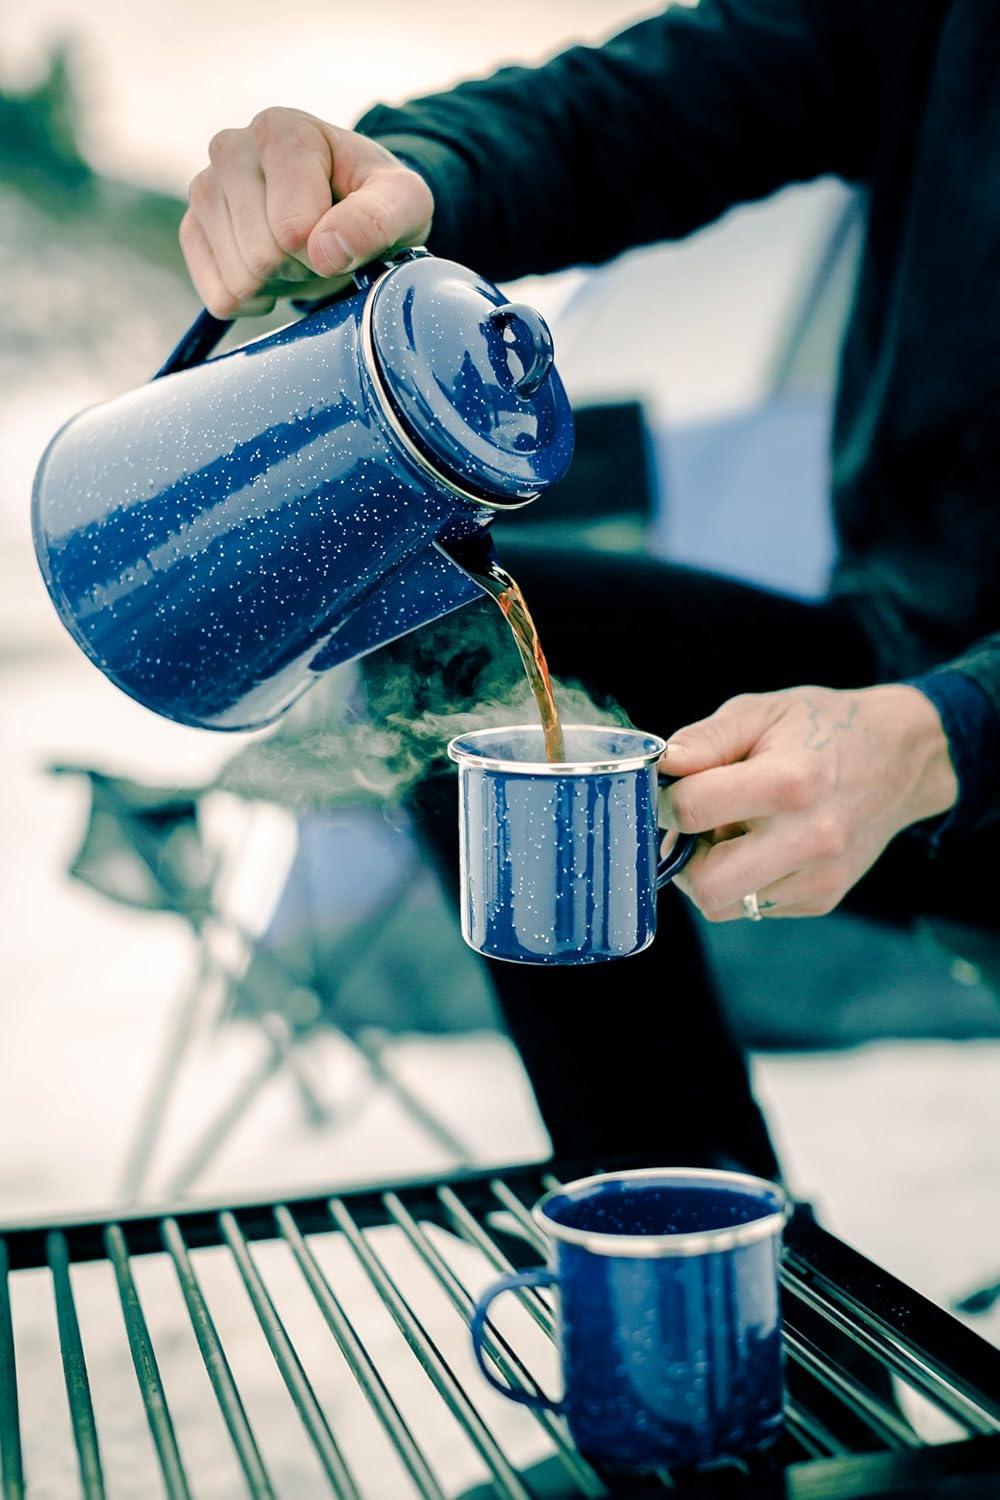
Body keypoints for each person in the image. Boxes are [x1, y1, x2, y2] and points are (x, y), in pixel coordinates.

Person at [179, 0, 999, 1180]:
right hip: (897, 656)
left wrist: (946, 736)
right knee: (446, 612)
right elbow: (657, 104)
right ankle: (684, 1244)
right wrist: (414, 172)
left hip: (962, 735)